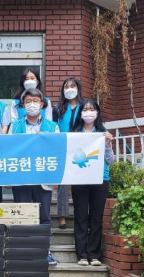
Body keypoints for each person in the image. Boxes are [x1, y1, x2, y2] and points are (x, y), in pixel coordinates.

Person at [8, 88, 60, 267]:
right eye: (28, 101)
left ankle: (45, 251)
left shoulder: (52, 127)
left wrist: (44, 139)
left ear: (42, 104)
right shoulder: (14, 127)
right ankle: (23, 251)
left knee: (44, 215)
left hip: (43, 178)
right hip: (21, 177)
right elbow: (9, 152)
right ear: (22, 105)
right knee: (22, 214)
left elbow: (57, 151)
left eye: (35, 101)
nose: (32, 104)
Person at [71, 98, 114, 266]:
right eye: (85, 110)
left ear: (97, 113)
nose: (88, 113)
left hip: (101, 178)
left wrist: (108, 145)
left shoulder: (103, 132)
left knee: (96, 217)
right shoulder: (74, 133)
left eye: (92, 109)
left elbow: (110, 161)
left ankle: (94, 255)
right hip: (80, 179)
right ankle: (81, 254)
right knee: (81, 216)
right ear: (80, 113)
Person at [53, 77, 84, 229]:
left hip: (81, 148)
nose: (69, 89)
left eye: (72, 86)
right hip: (63, 147)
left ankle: (80, 215)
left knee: (80, 183)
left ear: (78, 88)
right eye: (66, 86)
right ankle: (63, 216)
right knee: (63, 183)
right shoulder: (58, 108)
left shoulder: (85, 106)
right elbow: (53, 127)